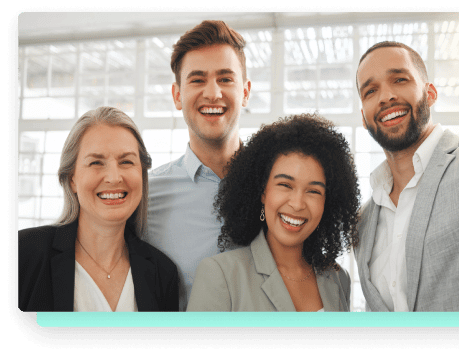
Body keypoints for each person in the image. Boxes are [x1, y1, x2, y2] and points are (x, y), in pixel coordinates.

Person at [354, 41, 459, 312]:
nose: (385, 96)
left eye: (399, 79)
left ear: (430, 94)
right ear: (364, 117)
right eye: (370, 91)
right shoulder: (363, 222)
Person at [187, 113, 360, 311]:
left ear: (327, 203)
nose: (297, 204)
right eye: (285, 185)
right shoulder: (221, 274)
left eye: (313, 191)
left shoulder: (338, 278)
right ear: (262, 192)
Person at [18, 107, 179, 312]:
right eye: (96, 162)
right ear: (72, 179)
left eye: (126, 162)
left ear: (142, 175)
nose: (113, 177)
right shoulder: (24, 254)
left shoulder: (163, 273)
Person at [142, 20, 252, 310]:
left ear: (245, 91)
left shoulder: (279, 184)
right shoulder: (146, 197)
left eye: (226, 79)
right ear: (178, 95)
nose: (213, 93)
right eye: (198, 79)